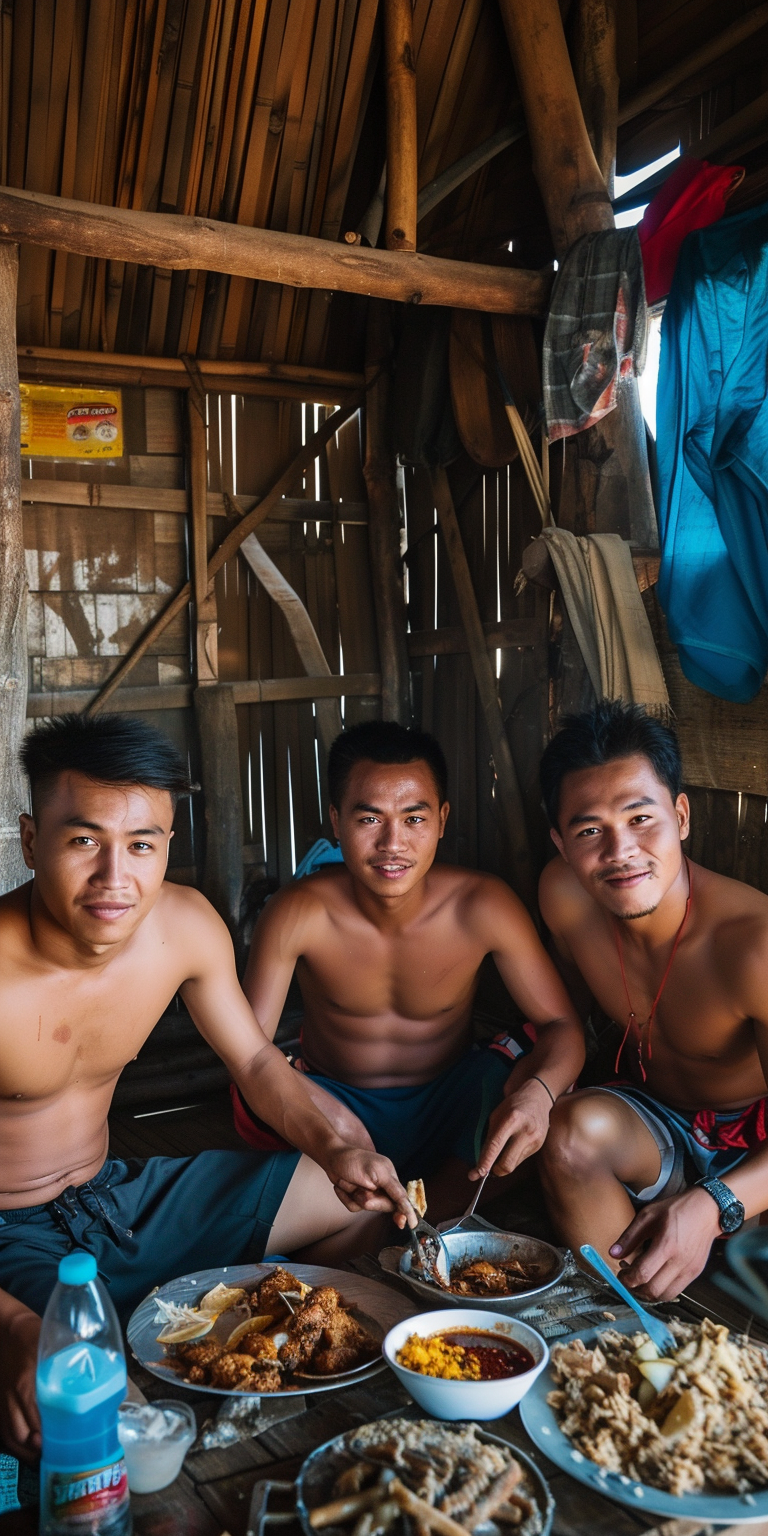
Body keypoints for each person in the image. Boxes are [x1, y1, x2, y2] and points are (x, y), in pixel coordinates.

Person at [0, 714, 415, 1465]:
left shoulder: (183, 926)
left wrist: (337, 1146)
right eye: (83, 840)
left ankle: (209, 1336)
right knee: (93, 1425)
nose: (114, 879)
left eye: (142, 844)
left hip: (116, 1201)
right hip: (9, 1239)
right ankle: (119, 1343)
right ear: (33, 841)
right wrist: (15, 1328)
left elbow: (258, 1065)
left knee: (348, 1196)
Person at [240, 720, 585, 1215]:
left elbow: (562, 1025)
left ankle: (419, 1217)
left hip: (451, 1104)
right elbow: (249, 1054)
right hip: (335, 1104)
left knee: (539, 1085)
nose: (393, 844)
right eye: (369, 819)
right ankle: (399, 1217)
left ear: (442, 819)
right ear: (336, 822)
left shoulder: (481, 904)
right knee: (270, 1098)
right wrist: (325, 1128)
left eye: (414, 819)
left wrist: (539, 1093)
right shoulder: (299, 912)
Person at [537, 699, 768, 1302]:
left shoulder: (753, 947)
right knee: (568, 1134)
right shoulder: (564, 898)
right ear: (560, 842)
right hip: (657, 1120)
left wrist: (713, 1203)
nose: (620, 851)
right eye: (590, 830)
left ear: (682, 816)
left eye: (641, 819)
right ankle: (632, 1326)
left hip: (757, 1150)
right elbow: (563, 1020)